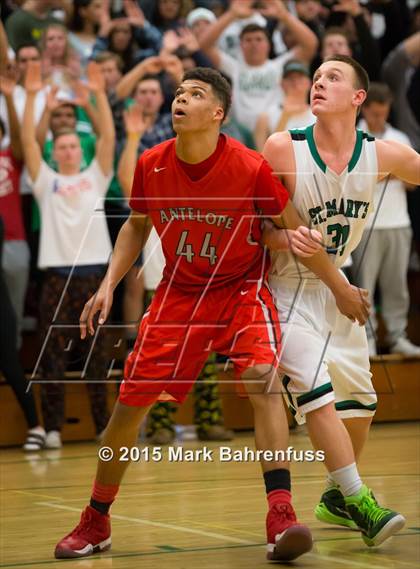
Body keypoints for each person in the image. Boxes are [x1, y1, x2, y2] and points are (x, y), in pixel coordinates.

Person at [53, 66, 371, 562]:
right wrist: (108, 285)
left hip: (241, 289)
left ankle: (280, 514)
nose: (180, 99)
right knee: (129, 406)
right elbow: (136, 227)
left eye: (194, 94)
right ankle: (96, 519)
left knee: (263, 378)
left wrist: (339, 287)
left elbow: (295, 233)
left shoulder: (249, 167)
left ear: (218, 113)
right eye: (178, 93)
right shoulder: (152, 162)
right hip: (180, 295)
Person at [262, 54, 419, 546]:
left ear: (357, 98)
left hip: (341, 287)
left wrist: (340, 287)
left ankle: (333, 495)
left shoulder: (384, 154)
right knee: (317, 393)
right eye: (316, 77)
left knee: (363, 405)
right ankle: (361, 501)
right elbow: (260, 230)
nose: (319, 83)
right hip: (285, 287)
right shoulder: (282, 148)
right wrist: (287, 240)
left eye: (333, 77)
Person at [21, 60, 115, 449]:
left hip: (96, 277)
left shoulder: (96, 175)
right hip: (57, 277)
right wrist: (31, 98)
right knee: (52, 358)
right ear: (54, 152)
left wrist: (97, 97)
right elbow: (27, 140)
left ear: (81, 149)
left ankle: (103, 428)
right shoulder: (46, 181)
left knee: (98, 359)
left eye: (74, 145)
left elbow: (108, 135)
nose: (69, 149)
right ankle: (54, 429)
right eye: (62, 146)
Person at [353, 82, 420, 357]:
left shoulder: (399, 137)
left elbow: (412, 183)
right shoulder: (354, 135)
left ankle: (397, 335)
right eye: (375, 113)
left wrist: (380, 171)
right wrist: (392, 170)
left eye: (384, 113)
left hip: (398, 222)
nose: (379, 118)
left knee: (396, 285)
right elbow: (355, 175)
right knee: (362, 286)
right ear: (365, 109)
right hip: (364, 223)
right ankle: (365, 338)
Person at [199, 0, 318, 131]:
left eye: (259, 39)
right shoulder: (234, 67)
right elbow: (204, 45)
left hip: (275, 131)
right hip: (242, 137)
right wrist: (231, 14)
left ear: (269, 44)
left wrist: (284, 15)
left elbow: (310, 44)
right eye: (248, 40)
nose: (254, 44)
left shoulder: (278, 66)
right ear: (241, 45)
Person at [254, 59, 315, 152]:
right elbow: (263, 158)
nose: (295, 81)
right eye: (290, 78)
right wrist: (285, 116)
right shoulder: (265, 117)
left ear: (309, 83)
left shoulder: (319, 115)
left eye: (300, 77)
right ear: (282, 83)